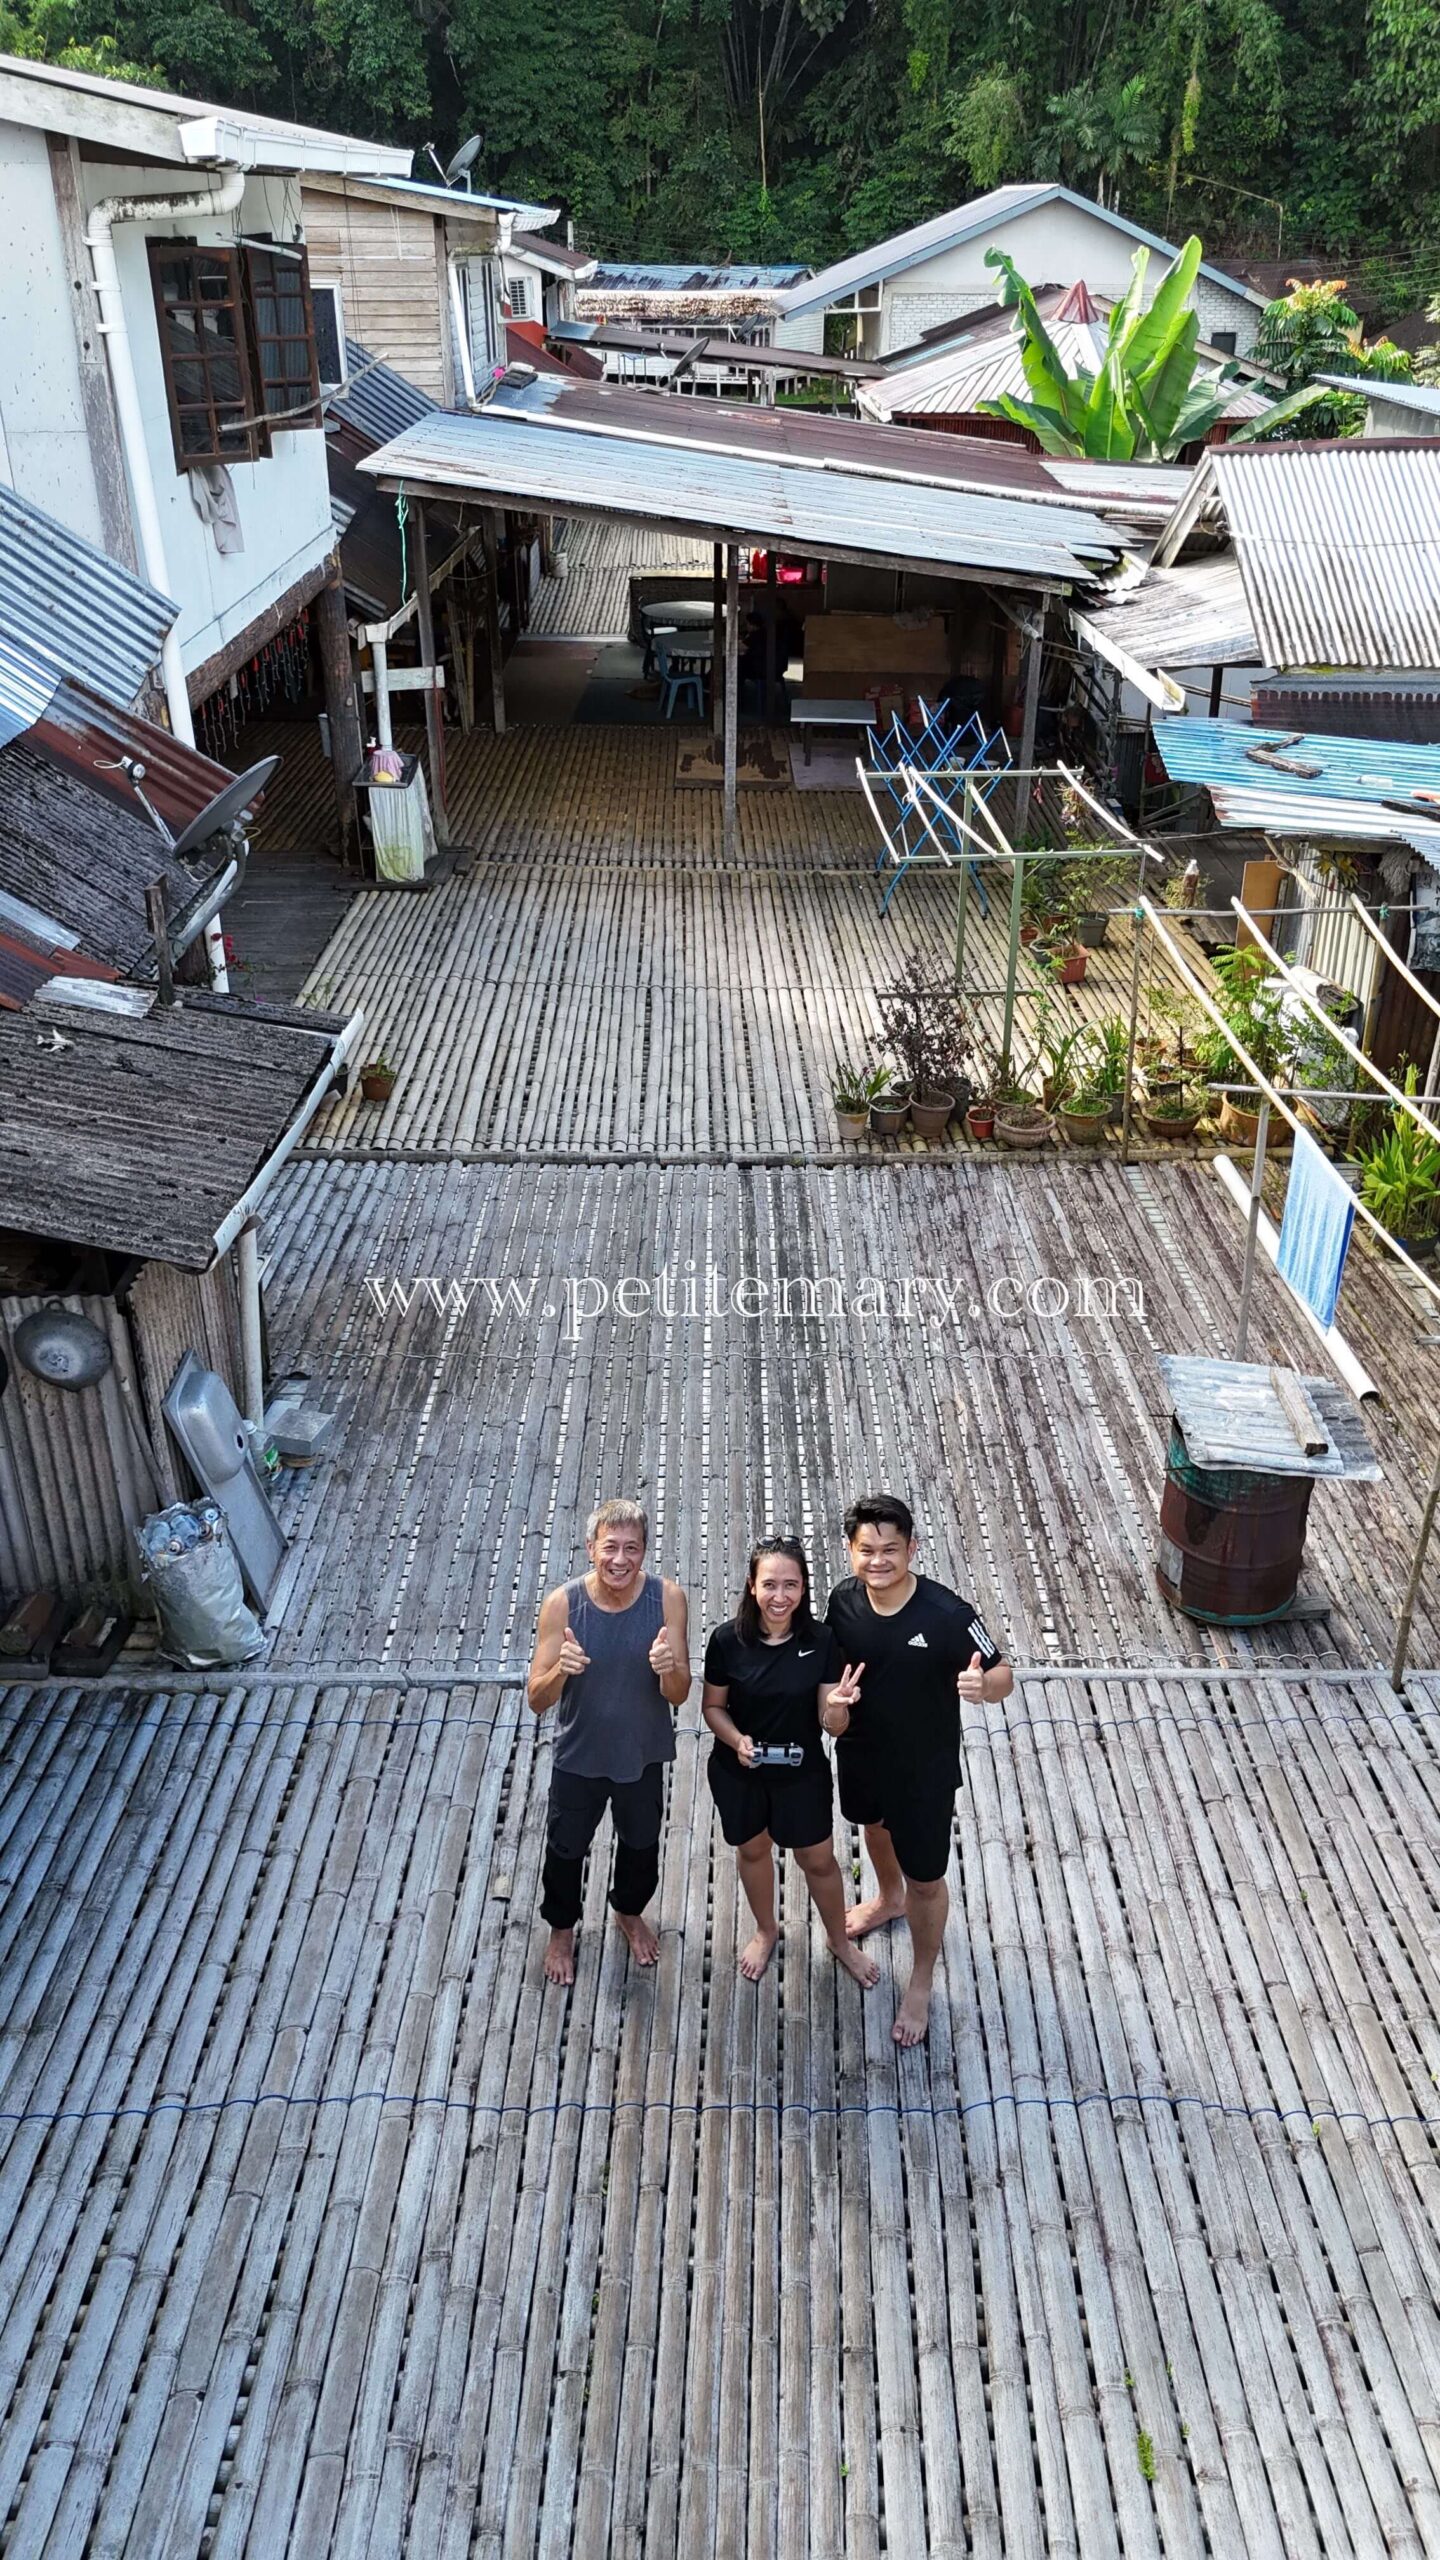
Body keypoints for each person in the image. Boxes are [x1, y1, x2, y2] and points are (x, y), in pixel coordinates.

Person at [825, 1493, 1012, 2047]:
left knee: (927, 1880)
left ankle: (923, 1977)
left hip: (924, 1771)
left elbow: (1002, 1673)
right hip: (860, 1754)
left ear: (912, 1548)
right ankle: (887, 1897)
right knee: (873, 1827)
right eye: (866, 1550)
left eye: (890, 1549)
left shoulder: (947, 1615)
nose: (878, 1560)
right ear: (849, 1550)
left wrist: (983, 1688)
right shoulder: (842, 1602)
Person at [701, 1537, 879, 1988]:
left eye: (791, 1585)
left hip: (802, 1771)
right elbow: (712, 1708)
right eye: (770, 1585)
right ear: (751, 1586)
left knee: (818, 1859)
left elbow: (830, 1724)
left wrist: (839, 1705)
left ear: (804, 1589)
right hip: (739, 1769)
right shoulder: (725, 1640)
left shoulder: (820, 1641)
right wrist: (737, 1740)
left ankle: (839, 1940)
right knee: (753, 1849)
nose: (780, 1596)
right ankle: (766, 1929)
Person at [527, 1497, 690, 1987]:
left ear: (645, 1552)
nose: (620, 1560)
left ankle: (627, 1911)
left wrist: (669, 1669)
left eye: (632, 1549)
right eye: (610, 1548)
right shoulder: (563, 1604)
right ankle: (561, 1928)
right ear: (590, 1548)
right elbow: (537, 1699)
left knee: (641, 1846)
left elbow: (679, 1692)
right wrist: (562, 1670)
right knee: (565, 1849)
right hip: (579, 1755)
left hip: (642, 1756)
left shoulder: (667, 1598)